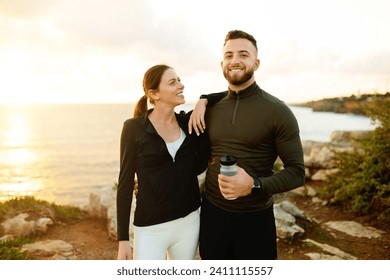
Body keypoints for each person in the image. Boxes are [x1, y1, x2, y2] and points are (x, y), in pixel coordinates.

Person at [188, 30, 305, 260]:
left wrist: (253, 185)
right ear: (222, 63)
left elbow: (297, 173)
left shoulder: (277, 111)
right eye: (229, 55)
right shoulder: (210, 108)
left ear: (256, 62)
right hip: (212, 217)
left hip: (254, 220)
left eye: (243, 55)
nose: (235, 61)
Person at [116, 64, 214, 260]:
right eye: (172, 82)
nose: (181, 85)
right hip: (151, 228)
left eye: (179, 80)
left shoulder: (188, 123)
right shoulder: (133, 128)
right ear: (154, 94)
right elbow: (125, 184)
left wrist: (204, 101)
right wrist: (123, 241)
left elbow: (198, 167)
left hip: (190, 221)